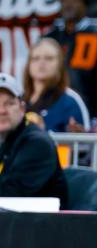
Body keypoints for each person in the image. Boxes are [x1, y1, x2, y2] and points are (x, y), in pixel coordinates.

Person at [0, 73, 68, 206]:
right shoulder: (7, 139)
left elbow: (9, 195)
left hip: (45, 224)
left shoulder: (37, 144)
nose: (2, 110)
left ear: (22, 108)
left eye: (9, 103)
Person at [45, 0, 97, 114]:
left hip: (89, 109)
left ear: (85, 4)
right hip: (52, 107)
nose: (68, 3)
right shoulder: (50, 37)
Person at [23, 38, 90, 133]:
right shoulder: (18, 101)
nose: (41, 63)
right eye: (35, 58)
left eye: (49, 58)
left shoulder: (70, 101)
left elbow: (85, 144)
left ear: (60, 64)